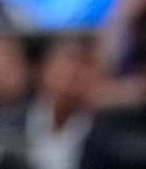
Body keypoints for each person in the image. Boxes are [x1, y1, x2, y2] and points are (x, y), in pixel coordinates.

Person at [24, 36, 101, 169]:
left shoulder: (108, 135)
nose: (72, 73)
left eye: (84, 65)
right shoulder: (7, 125)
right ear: (42, 69)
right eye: (66, 62)